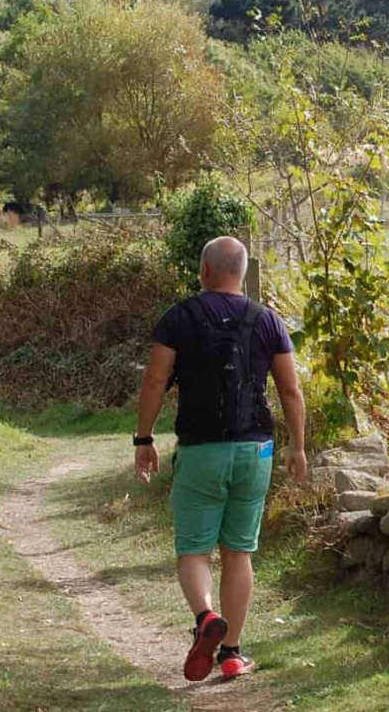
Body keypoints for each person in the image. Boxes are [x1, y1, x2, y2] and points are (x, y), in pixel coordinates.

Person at [133, 236, 308, 682]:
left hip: (200, 450)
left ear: (205, 270)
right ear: (243, 272)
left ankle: (206, 618)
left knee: (193, 549)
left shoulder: (179, 317)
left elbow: (155, 380)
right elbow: (290, 390)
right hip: (257, 450)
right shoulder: (268, 320)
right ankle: (231, 652)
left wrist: (144, 438)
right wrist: (298, 446)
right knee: (239, 551)